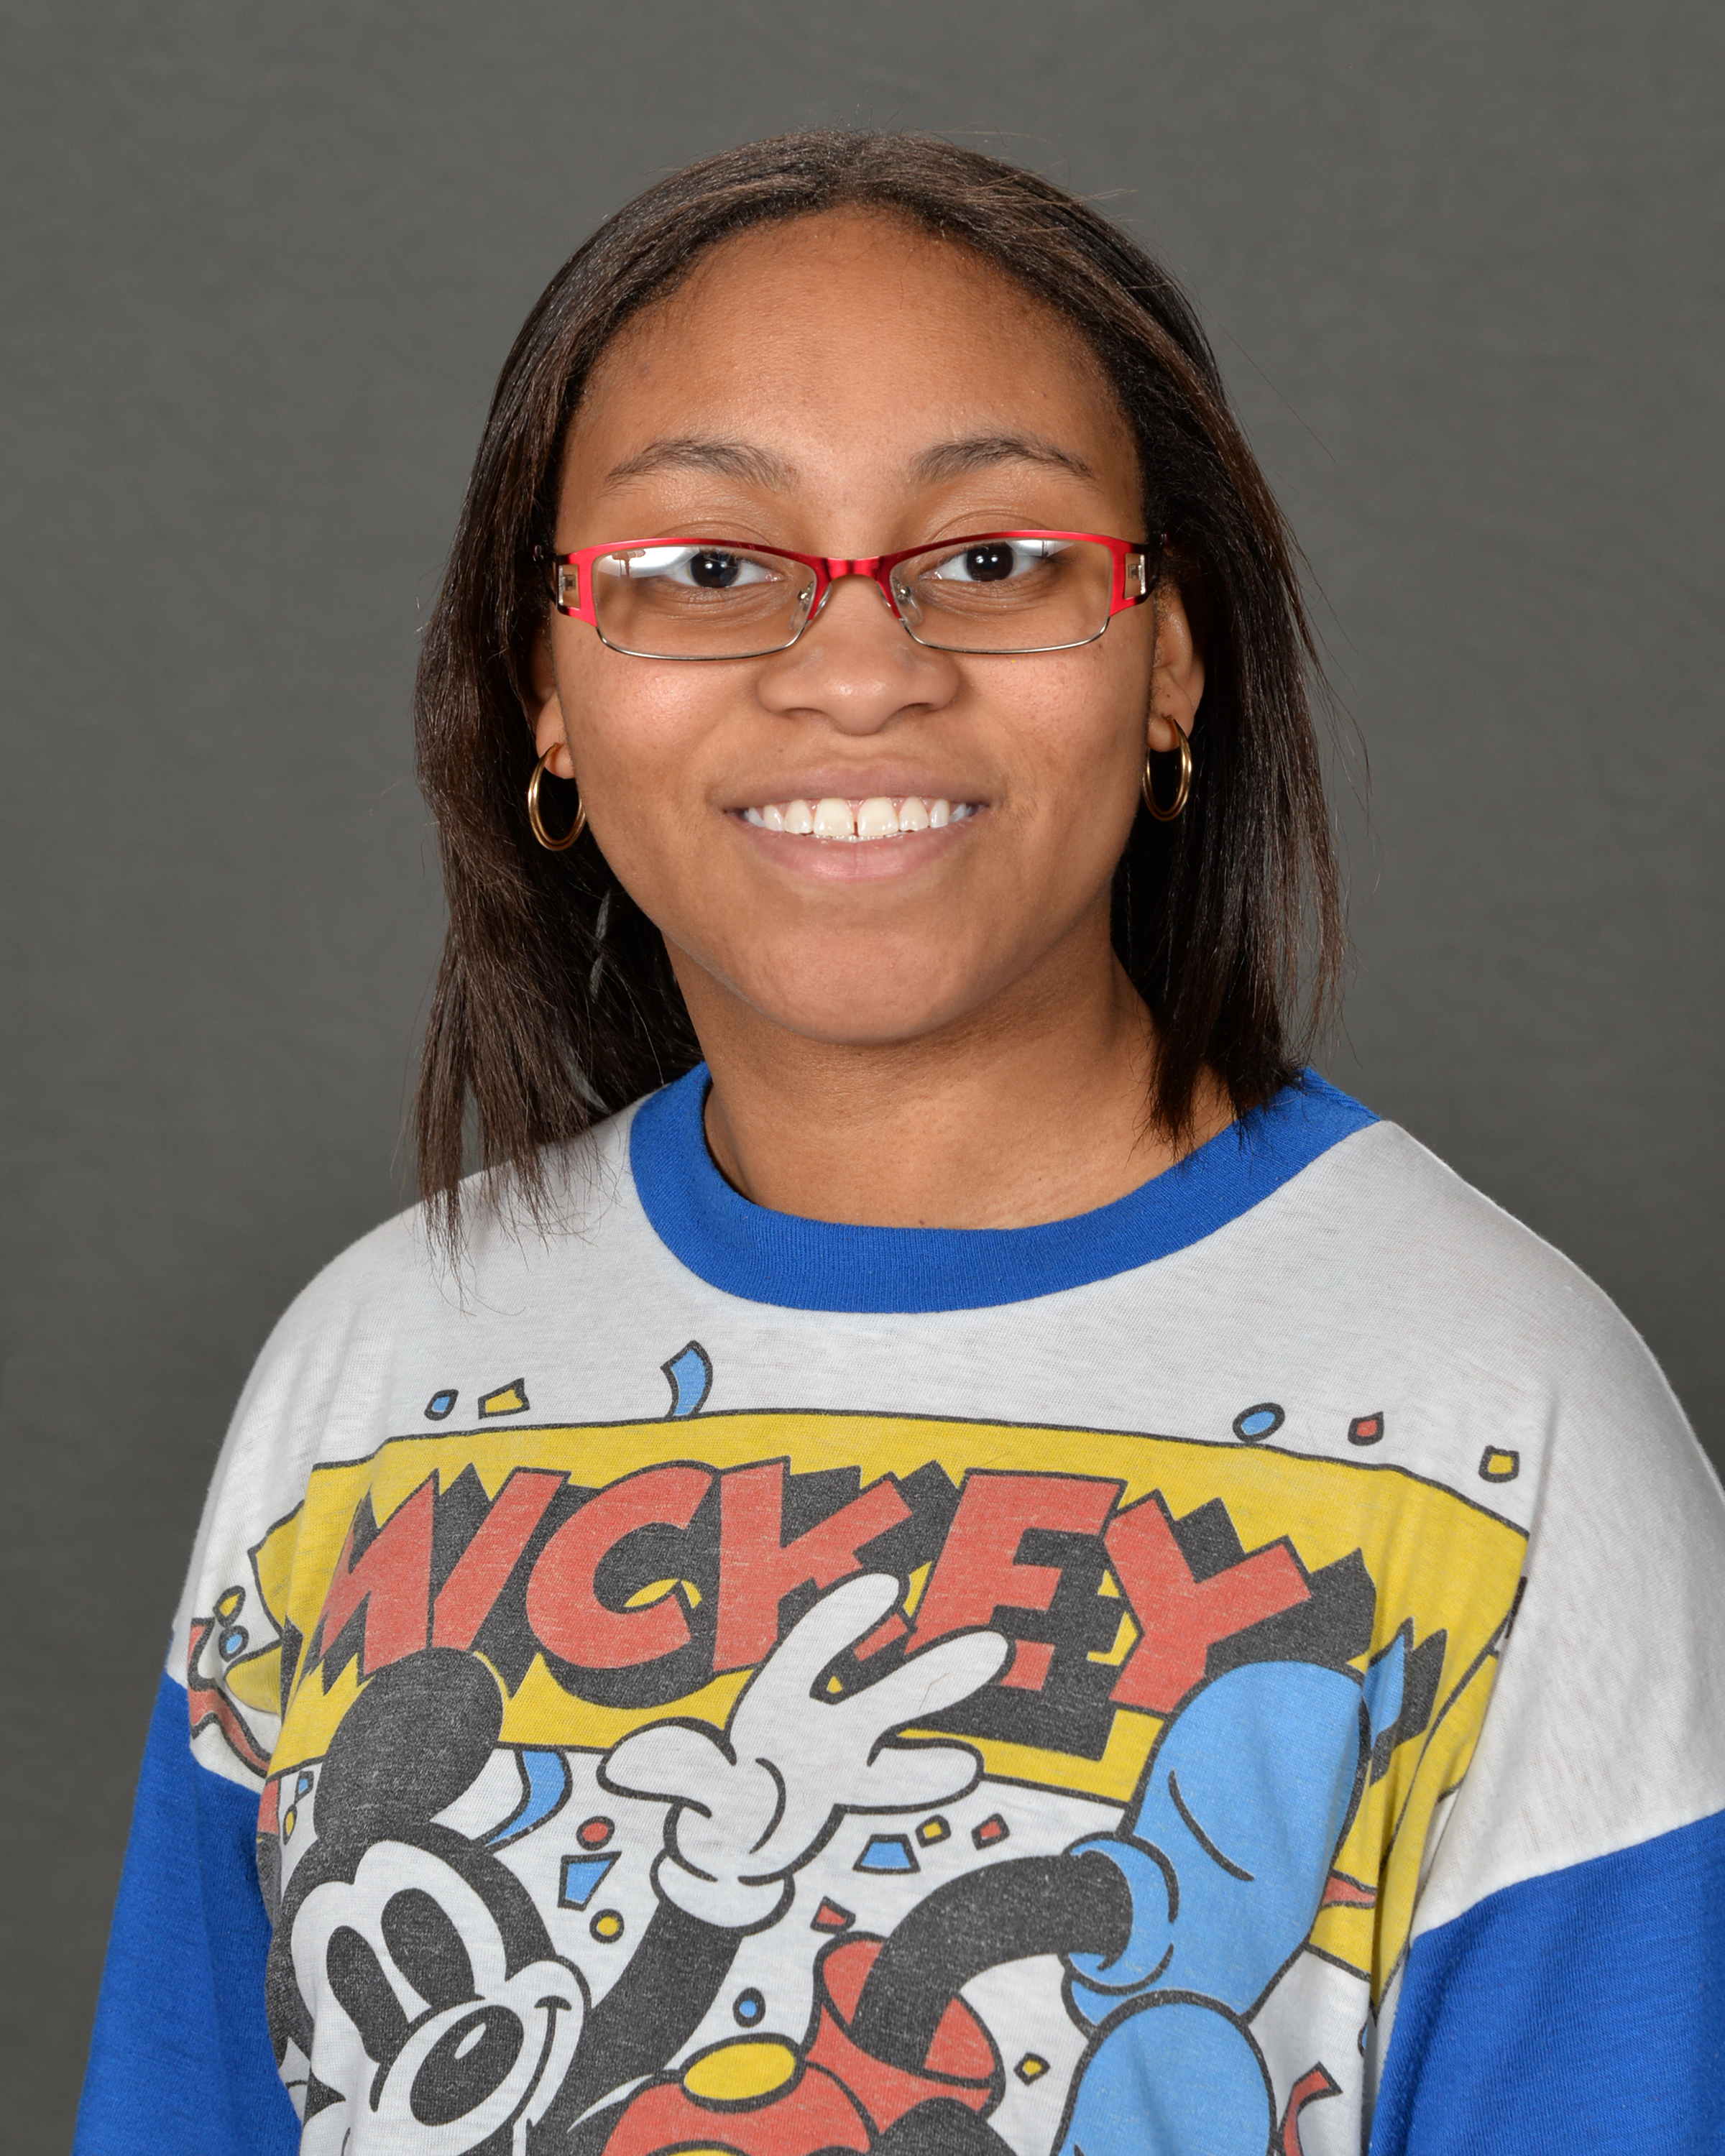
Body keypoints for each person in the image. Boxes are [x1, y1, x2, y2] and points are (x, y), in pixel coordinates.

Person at [73, 130, 1723, 2156]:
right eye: (707, 570)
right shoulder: (375, 1376)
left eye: (996, 559)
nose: (859, 671)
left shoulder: (1503, 1427)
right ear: (546, 690)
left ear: (1171, 657)